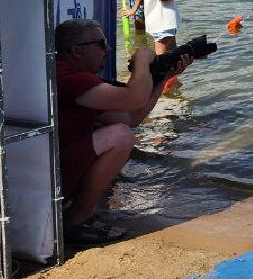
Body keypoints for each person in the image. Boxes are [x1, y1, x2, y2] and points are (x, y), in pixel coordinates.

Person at [54, 19, 188, 244]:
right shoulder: (65, 76)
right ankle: (77, 220)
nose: (108, 49)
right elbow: (134, 99)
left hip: (57, 169)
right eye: (101, 44)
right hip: (52, 173)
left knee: (122, 132)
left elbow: (131, 118)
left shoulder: (76, 78)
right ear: (76, 50)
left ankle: (78, 211)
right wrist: (142, 62)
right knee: (120, 137)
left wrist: (162, 78)